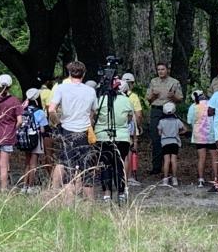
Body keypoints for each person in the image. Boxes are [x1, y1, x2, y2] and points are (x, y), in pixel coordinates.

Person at [48, 61, 98, 201]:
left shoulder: (62, 88)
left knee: (68, 167)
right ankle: (90, 203)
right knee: (86, 168)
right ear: (84, 74)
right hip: (84, 132)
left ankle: (68, 202)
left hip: (67, 131)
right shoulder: (90, 91)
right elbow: (93, 111)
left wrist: (57, 122)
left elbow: (51, 109)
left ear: (69, 73)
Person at [94, 80, 134, 203]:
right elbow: (129, 118)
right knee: (119, 164)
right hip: (121, 137)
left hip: (102, 136)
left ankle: (106, 194)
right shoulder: (126, 101)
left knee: (105, 165)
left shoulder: (100, 100)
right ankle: (121, 192)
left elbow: (95, 115)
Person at [146, 63, 183, 175]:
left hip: (169, 111)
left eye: (163, 69)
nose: (160, 71)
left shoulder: (174, 82)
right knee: (156, 138)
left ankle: (170, 167)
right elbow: (148, 99)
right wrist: (154, 95)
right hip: (156, 110)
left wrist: (173, 96)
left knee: (171, 137)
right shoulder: (153, 81)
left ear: (167, 70)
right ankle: (156, 167)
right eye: (158, 70)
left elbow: (180, 99)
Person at [187, 90, 218, 188]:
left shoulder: (193, 106)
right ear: (203, 95)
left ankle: (201, 179)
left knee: (201, 158)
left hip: (199, 135)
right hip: (212, 134)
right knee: (214, 157)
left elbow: (189, 120)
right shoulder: (211, 104)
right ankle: (216, 179)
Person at [20, 88, 49, 193]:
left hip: (25, 139)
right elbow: (43, 128)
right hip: (36, 139)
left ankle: (24, 186)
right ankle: (31, 186)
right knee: (33, 164)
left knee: (27, 163)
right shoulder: (39, 112)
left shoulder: (23, 110)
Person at [121, 72, 143, 186]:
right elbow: (138, 114)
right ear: (132, 84)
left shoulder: (116, 95)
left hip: (118, 127)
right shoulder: (133, 97)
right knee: (130, 152)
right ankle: (129, 177)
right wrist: (139, 126)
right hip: (130, 128)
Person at [158, 102, 187, 186]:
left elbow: (159, 133)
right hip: (174, 142)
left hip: (165, 142)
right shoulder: (177, 121)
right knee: (174, 160)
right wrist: (178, 133)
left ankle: (165, 179)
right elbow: (185, 129)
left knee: (166, 160)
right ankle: (174, 179)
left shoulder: (161, 121)